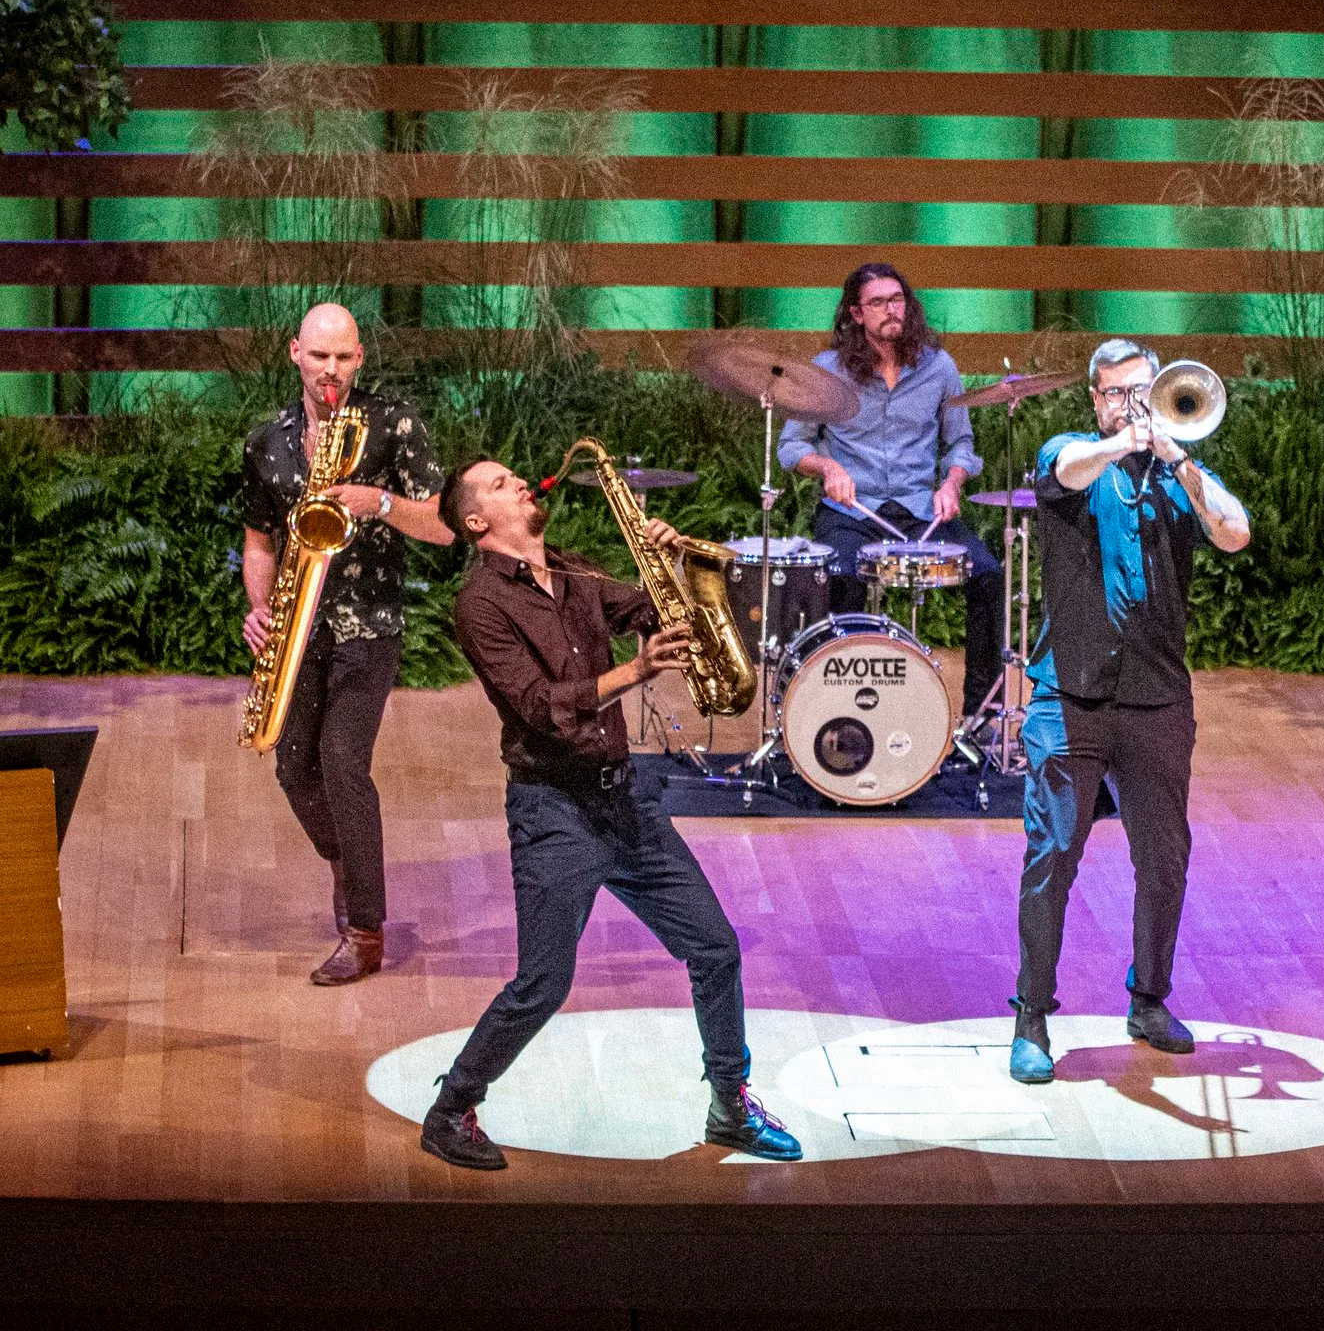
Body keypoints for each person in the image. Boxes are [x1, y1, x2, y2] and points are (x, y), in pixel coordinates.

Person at [417, 457, 800, 1171]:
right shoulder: (480, 604)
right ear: (476, 522)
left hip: (622, 798)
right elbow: (539, 705)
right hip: (553, 810)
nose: (521, 483)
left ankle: (729, 1104)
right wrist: (636, 670)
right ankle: (450, 1108)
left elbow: (657, 614)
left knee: (715, 946)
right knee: (544, 982)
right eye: (500, 485)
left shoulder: (574, 571)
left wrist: (672, 562)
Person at [1008, 338, 1251, 1085]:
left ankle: (1149, 1000)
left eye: (1141, 390)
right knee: (1052, 857)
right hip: (1067, 697)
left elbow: (1235, 531)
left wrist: (1177, 456)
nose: (1131, 403)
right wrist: (1119, 442)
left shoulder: (1181, 475)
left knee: (1164, 858)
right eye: (1116, 392)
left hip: (1155, 701)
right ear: (1095, 398)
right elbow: (1065, 471)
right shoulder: (1073, 453)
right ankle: (1031, 1018)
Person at [239, 302, 453, 987]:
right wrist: (257, 610)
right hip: (297, 630)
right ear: (295, 352)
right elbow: (258, 540)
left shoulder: (393, 424)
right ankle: (347, 863)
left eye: (344, 358)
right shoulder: (266, 440)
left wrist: (379, 502)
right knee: (291, 767)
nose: (330, 371)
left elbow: (448, 526)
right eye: (319, 356)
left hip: (369, 627)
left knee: (340, 761)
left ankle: (364, 930)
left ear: (359, 359)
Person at [776, 263, 1005, 721]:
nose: (891, 309)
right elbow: (790, 445)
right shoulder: (828, 370)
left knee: (988, 575)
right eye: (878, 302)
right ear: (857, 314)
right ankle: (838, 715)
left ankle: (982, 714)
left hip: (922, 509)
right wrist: (827, 466)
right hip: (852, 511)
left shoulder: (938, 367)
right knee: (840, 576)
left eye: (897, 299)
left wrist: (951, 482)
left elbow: (961, 442)